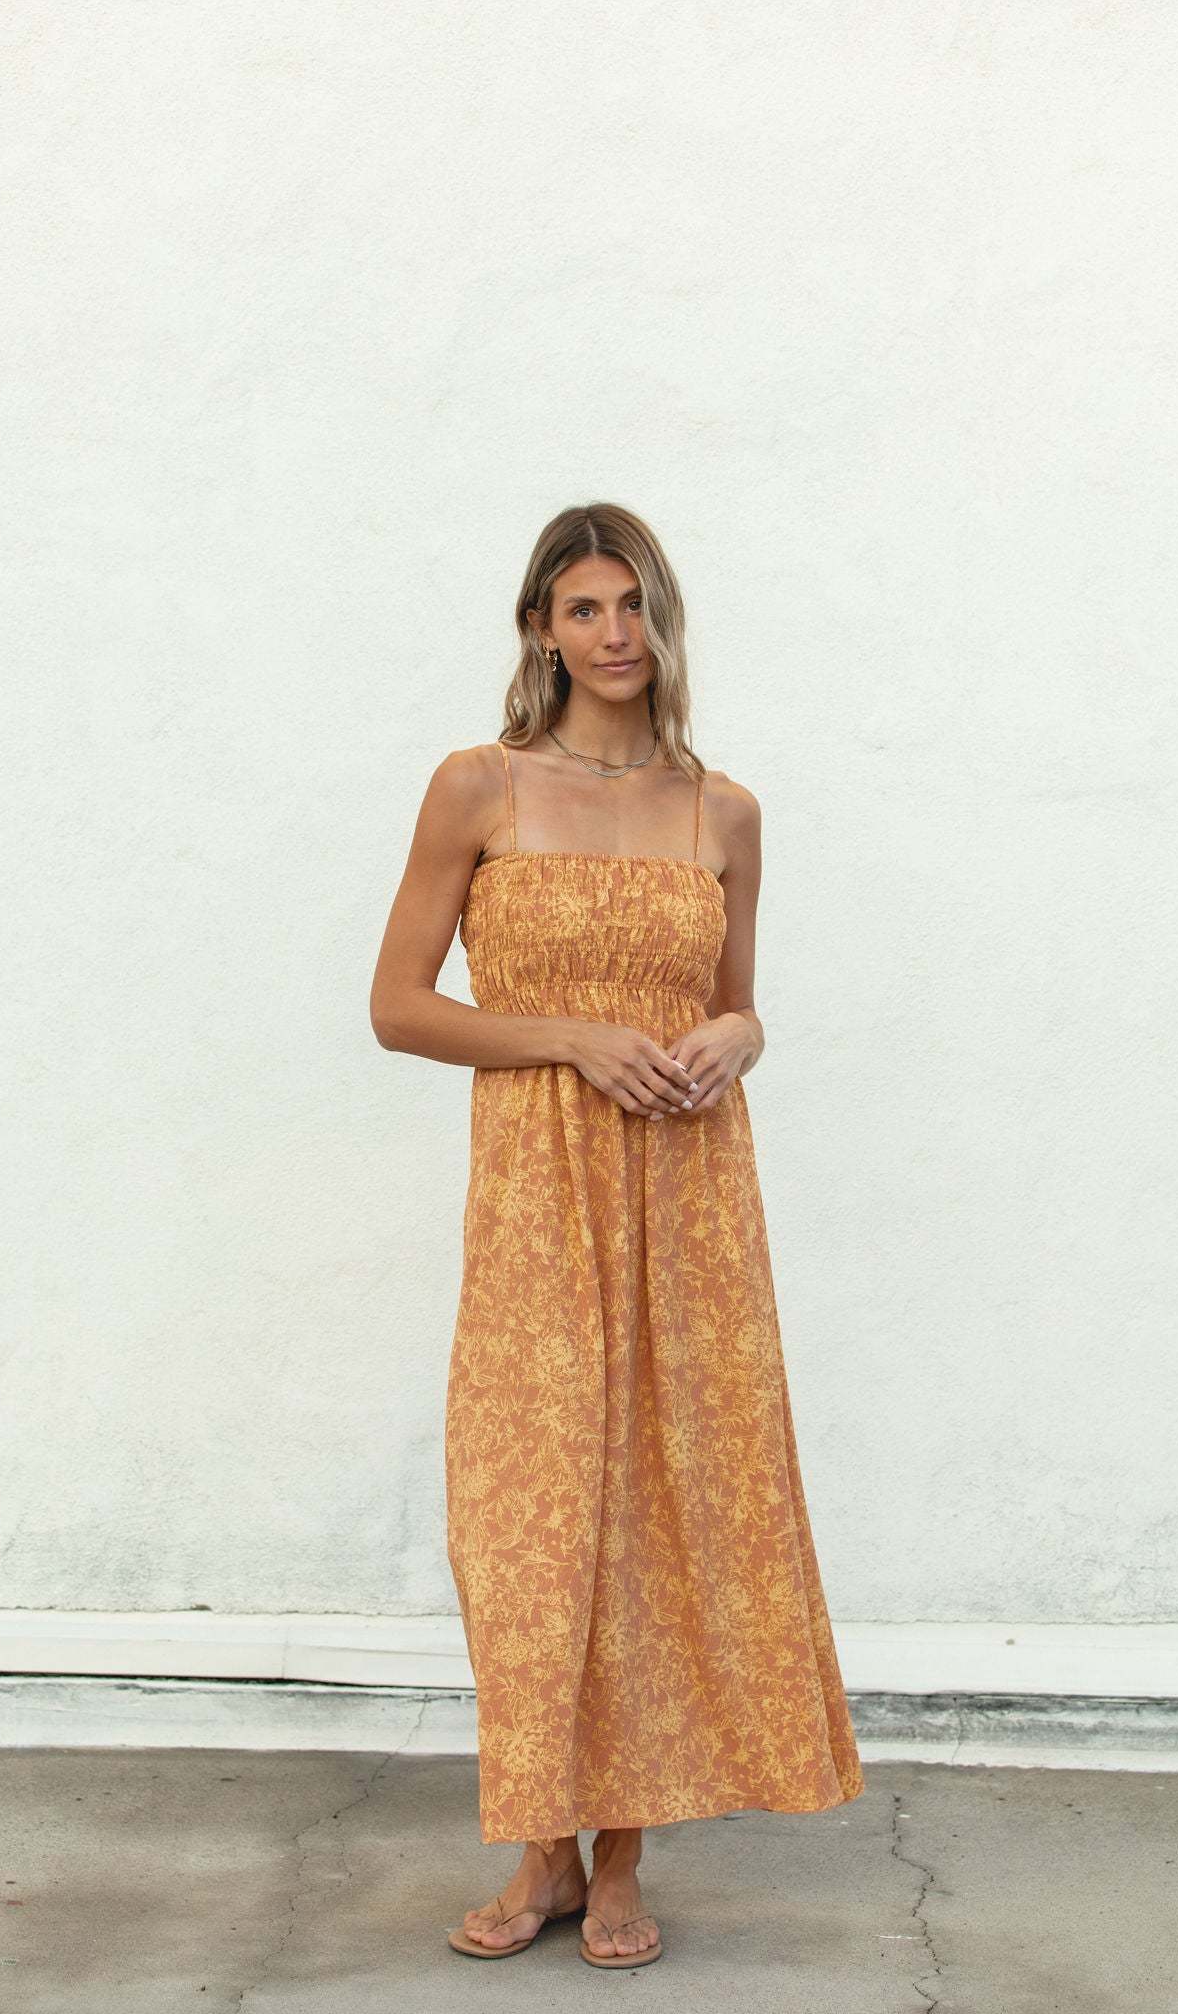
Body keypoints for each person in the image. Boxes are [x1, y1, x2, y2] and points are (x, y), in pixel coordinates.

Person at [370, 502, 864, 1969]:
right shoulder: (479, 787)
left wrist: (736, 1034)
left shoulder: (723, 812)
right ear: (540, 627)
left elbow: (739, 1002)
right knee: (528, 1515)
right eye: (584, 608)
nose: (615, 634)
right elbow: (399, 1008)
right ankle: (542, 1848)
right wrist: (572, 1037)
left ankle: (625, 1854)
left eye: (636, 605)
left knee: (657, 1504)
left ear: (665, 621)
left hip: (688, 1194)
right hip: (539, 1191)